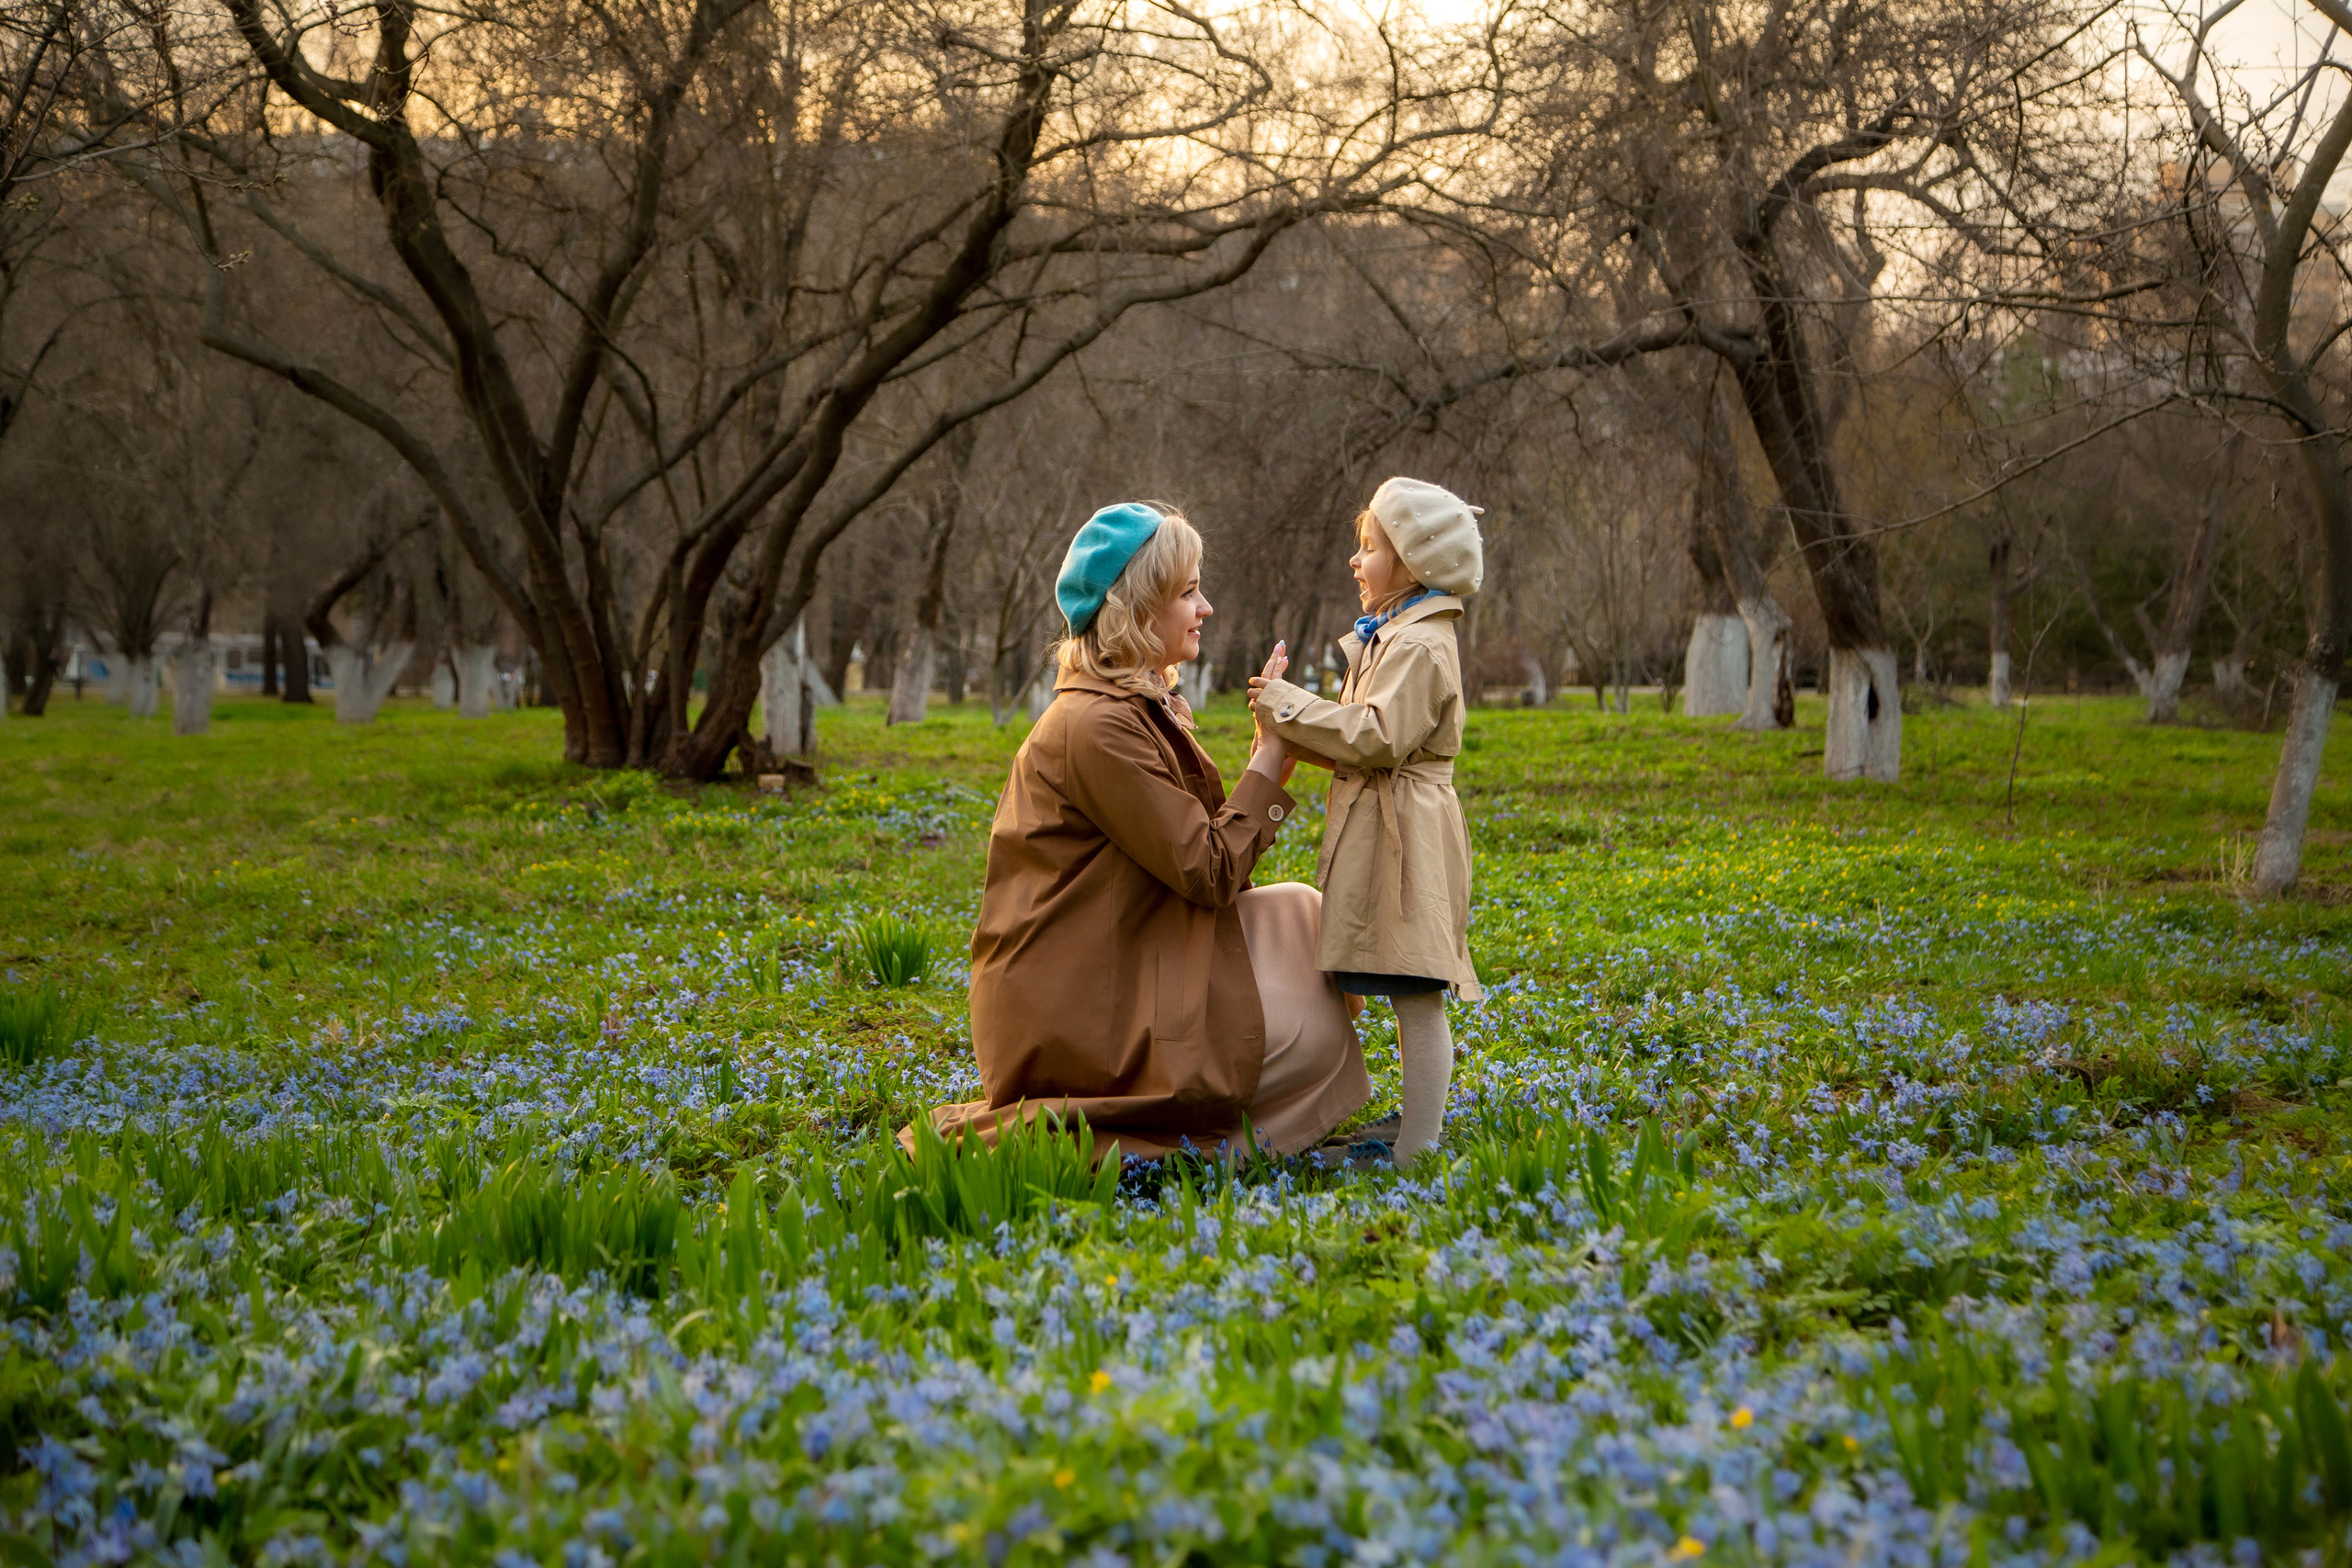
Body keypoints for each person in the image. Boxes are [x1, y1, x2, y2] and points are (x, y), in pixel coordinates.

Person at [911, 502, 1370, 1159]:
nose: (1205, 607)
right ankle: (1220, 1142)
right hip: (1077, 1012)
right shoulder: (1096, 727)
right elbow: (1210, 869)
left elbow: (1195, 854)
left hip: (1109, 964)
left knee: (1301, 916)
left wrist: (1271, 757)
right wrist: (1270, 757)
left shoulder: (1124, 709)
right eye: (1187, 592)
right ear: (1137, 608)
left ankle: (1249, 1119)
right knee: (1313, 1023)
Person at [1248, 478, 1484, 1166]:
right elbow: (1359, 740)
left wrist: (1291, 709)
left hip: (1408, 837)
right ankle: (1411, 1126)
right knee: (1398, 975)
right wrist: (1283, 730)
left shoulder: (1421, 644)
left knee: (1416, 987)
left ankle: (1417, 1149)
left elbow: (1377, 736)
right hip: (1388, 827)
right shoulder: (1394, 635)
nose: (1356, 560)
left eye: (1369, 547)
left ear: (1412, 560)